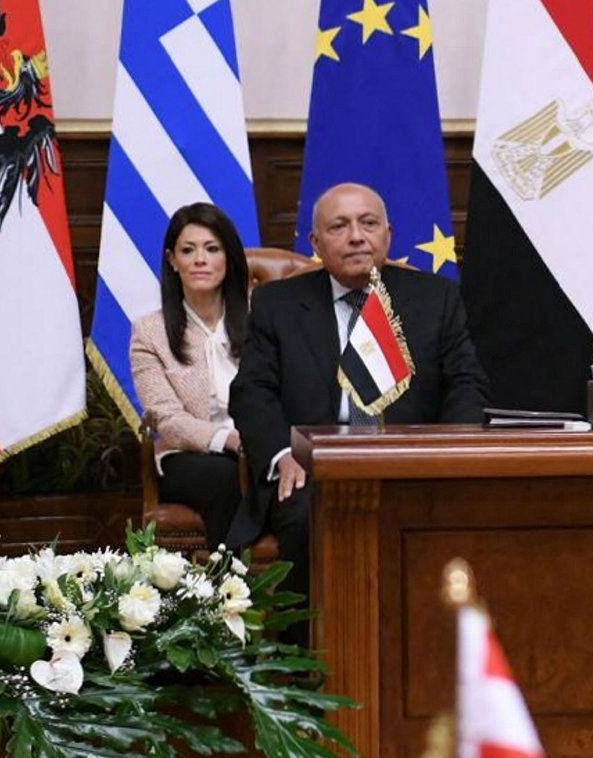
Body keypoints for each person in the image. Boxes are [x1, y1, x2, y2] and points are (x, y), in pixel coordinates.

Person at [227, 183, 488, 599]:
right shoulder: (277, 304)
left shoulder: (436, 299)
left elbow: (466, 384)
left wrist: (446, 457)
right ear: (316, 243)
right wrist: (282, 454)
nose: (355, 236)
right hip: (316, 470)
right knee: (305, 519)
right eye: (339, 226)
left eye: (368, 224)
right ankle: (309, 658)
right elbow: (251, 393)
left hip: (412, 468)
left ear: (387, 235)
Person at [130, 202, 250, 549]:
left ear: (228, 258)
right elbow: (166, 418)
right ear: (172, 260)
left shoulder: (261, 317)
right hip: (188, 455)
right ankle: (230, 591)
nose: (200, 259)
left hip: (259, 445)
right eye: (188, 250)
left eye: (212, 249)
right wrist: (229, 440)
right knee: (225, 478)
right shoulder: (149, 332)